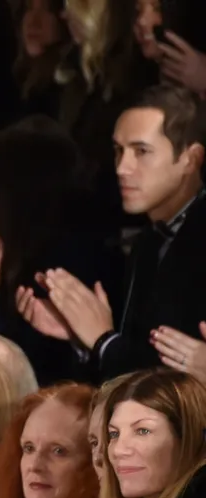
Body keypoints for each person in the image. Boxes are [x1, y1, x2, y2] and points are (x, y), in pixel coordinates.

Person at [18, 85, 206, 380]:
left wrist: (103, 341)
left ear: (190, 159)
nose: (122, 168)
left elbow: (172, 384)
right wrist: (82, 337)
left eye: (141, 151)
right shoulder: (149, 241)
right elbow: (138, 358)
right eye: (119, 150)